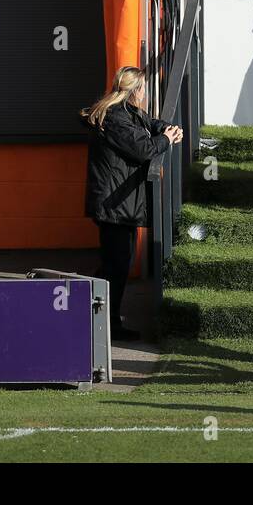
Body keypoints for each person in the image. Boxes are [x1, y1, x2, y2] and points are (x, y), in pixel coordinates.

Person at [81, 66, 183, 341]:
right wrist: (166, 139)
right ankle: (105, 323)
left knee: (115, 263)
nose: (145, 95)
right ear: (135, 90)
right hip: (114, 205)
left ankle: (97, 316)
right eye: (143, 89)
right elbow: (144, 149)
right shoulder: (115, 118)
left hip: (118, 205)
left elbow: (149, 124)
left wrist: (164, 128)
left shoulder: (126, 113)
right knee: (116, 264)